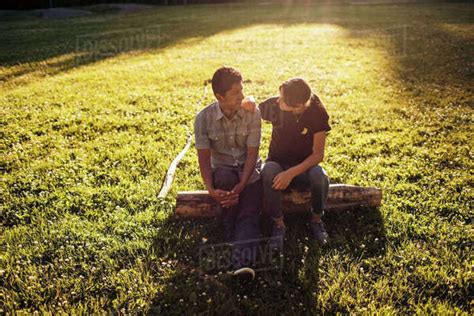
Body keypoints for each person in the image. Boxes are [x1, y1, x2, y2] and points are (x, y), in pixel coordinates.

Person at [243, 78, 331, 250]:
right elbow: (250, 106)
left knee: (320, 176)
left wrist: (290, 174)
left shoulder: (317, 112)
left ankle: (316, 219)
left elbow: (318, 155)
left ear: (298, 106)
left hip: (305, 166)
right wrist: (250, 100)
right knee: (268, 171)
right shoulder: (275, 106)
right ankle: (278, 223)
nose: (277, 100)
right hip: (278, 162)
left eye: (282, 99)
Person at [194, 66, 262, 281]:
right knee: (224, 179)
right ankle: (232, 227)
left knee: (249, 212)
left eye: (242, 90)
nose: (242, 96)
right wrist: (211, 189)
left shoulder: (252, 112)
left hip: (249, 171)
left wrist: (243, 184)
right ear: (219, 96)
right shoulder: (203, 118)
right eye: (236, 93)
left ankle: (241, 265)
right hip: (223, 172)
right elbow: (204, 157)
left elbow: (252, 152)